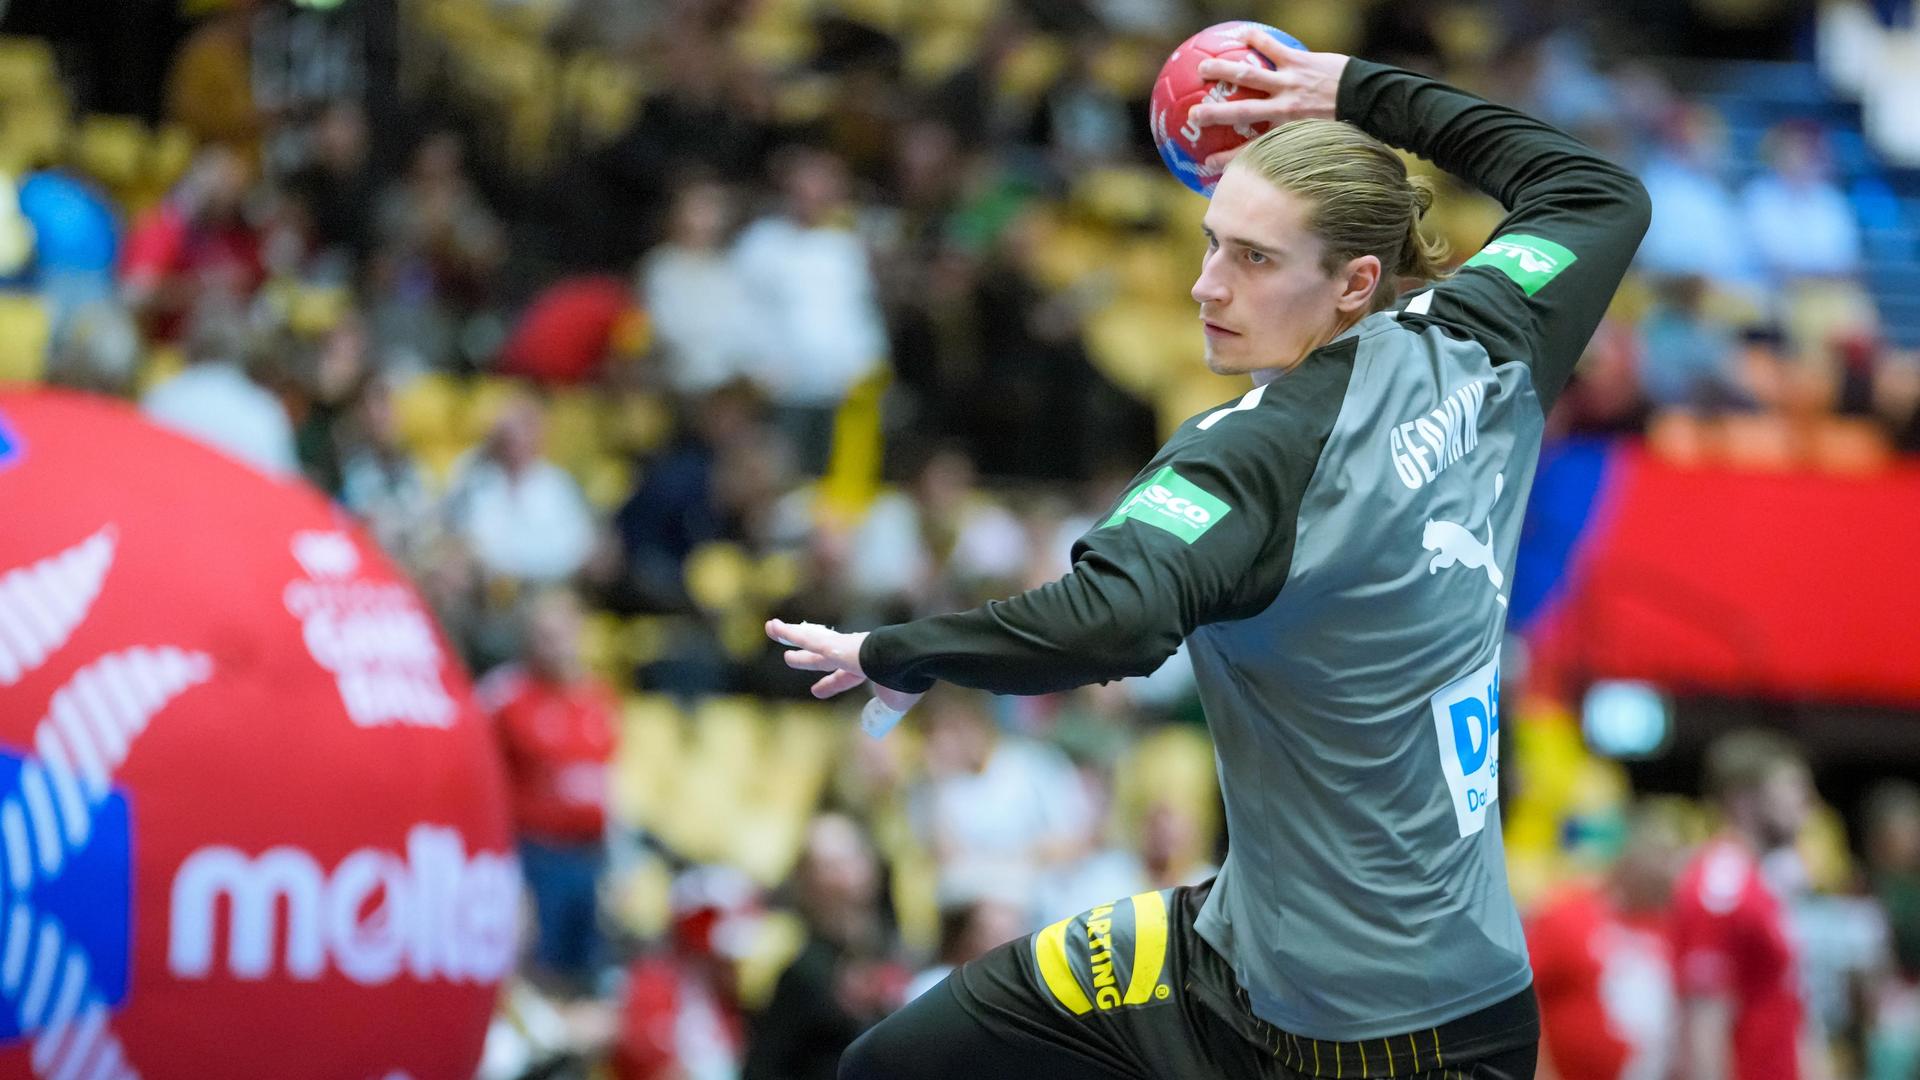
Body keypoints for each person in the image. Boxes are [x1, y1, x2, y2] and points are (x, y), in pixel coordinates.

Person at [769, 29, 1650, 1080]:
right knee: (895, 1064)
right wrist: (1356, 89)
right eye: (1210, 241)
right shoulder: (1485, 335)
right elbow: (1596, 193)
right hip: (1263, 970)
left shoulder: (1254, 459)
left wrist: (897, 651)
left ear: (1356, 281)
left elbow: (1115, 623)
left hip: (1374, 1049)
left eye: (1253, 258)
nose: (1204, 286)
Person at [479, 587, 619, 996]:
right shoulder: (505, 696)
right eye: (543, 633)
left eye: (561, 632)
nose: (553, 643)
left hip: (588, 859)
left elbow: (608, 783)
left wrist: (615, 863)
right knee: (535, 973)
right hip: (532, 856)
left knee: (585, 973)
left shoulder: (598, 699)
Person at [1669, 731, 1824, 1080]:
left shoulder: (1764, 884)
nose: (1808, 804)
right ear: (1744, 800)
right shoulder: (1720, 889)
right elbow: (1704, 1024)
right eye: (1791, 790)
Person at [1527, 802, 1689, 1080]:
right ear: (1631, 856)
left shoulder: (1676, 928)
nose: (1672, 871)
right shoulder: (1567, 916)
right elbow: (1525, 997)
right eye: (1662, 855)